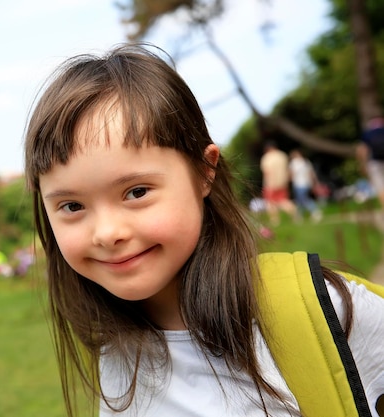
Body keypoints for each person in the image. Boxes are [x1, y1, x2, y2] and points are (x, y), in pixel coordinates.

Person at [23, 44, 384, 416]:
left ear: (204, 171)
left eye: (137, 192)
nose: (107, 232)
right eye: (72, 206)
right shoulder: (117, 354)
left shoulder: (324, 310)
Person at [260, 141, 298, 225]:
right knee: (283, 201)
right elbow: (288, 170)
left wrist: (268, 184)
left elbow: (267, 172)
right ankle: (294, 213)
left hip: (271, 183)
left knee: (270, 202)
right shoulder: (283, 155)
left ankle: (275, 220)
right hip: (282, 182)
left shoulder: (267, 157)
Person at [288, 149, 323, 222]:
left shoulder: (294, 163)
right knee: (300, 200)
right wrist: (314, 183)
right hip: (307, 183)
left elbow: (291, 174)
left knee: (303, 199)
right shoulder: (306, 162)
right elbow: (311, 173)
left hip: (298, 183)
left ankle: (315, 211)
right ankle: (299, 216)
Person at [357, 116, 384, 209]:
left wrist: (363, 164)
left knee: (380, 187)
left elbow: (362, 150)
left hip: (375, 163)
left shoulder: (368, 134)